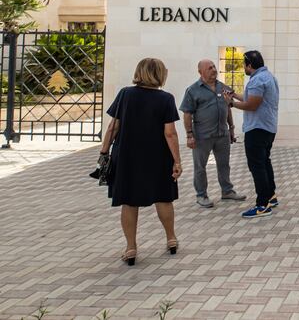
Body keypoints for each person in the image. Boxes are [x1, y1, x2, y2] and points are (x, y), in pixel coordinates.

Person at [98, 58, 182, 266]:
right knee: (163, 197)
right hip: (157, 155)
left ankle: (131, 248)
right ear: (159, 74)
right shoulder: (166, 99)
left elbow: (112, 127)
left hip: (127, 155)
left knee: (129, 200)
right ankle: (171, 238)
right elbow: (170, 133)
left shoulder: (125, 94)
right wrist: (177, 161)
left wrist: (104, 151)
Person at [180, 59, 246, 208]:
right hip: (202, 136)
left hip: (222, 134)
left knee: (224, 165)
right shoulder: (193, 90)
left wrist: (232, 129)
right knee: (200, 167)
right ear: (200, 72)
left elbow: (229, 106)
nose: (214, 70)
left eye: (214, 67)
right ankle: (201, 195)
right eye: (210, 68)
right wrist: (189, 135)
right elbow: (187, 114)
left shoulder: (222, 87)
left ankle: (227, 191)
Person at [224, 50, 280, 218]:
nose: (243, 68)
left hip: (257, 128)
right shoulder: (268, 76)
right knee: (264, 161)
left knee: (257, 166)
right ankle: (271, 196)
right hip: (268, 127)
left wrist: (231, 104)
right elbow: (252, 98)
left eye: (244, 65)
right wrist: (235, 96)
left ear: (250, 65)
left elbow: (252, 105)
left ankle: (262, 205)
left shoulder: (256, 80)